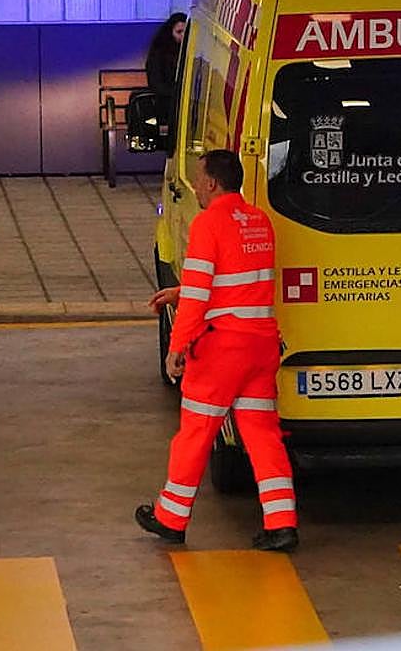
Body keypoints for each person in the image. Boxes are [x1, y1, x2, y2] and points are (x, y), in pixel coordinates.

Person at [135, 149, 298, 552]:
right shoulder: (260, 222)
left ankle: (170, 518)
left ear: (210, 183)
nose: (197, 187)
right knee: (262, 436)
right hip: (260, 346)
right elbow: (237, 284)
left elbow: (198, 295)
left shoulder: (209, 224)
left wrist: (177, 347)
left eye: (198, 178)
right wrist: (181, 292)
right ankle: (282, 523)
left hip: (223, 348)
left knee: (195, 433)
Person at [145, 12, 187, 114]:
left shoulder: (193, 52)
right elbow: (156, 84)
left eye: (186, 32)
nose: (183, 36)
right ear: (170, 32)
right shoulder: (159, 52)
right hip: (166, 103)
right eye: (179, 32)